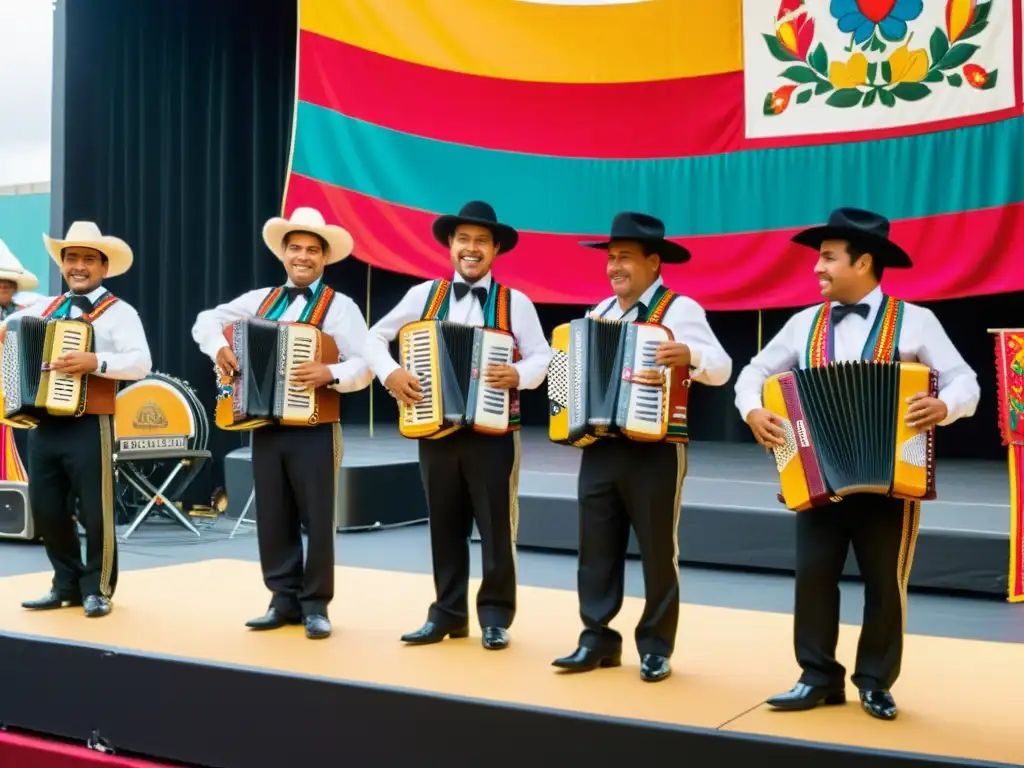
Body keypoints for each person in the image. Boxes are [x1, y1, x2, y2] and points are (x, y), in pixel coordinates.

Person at [733, 208, 980, 720]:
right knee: (813, 576)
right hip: (816, 473)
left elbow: (965, 381)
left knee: (885, 584)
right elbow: (753, 372)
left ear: (863, 261)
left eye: (827, 258)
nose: (816, 268)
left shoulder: (916, 320)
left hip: (892, 479)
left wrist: (946, 406)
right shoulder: (803, 324)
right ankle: (817, 676)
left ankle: (875, 681)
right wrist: (752, 409)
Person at [551, 212, 732, 682]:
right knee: (596, 546)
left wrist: (690, 356)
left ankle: (655, 645)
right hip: (600, 446)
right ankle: (596, 638)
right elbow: (570, 376)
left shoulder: (680, 310)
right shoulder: (599, 314)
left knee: (656, 548)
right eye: (610, 258)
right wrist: (564, 400)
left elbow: (722, 366)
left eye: (624, 258)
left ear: (654, 262)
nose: (614, 267)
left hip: (656, 447)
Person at [362, 201, 551, 650]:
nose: (471, 249)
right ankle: (447, 614)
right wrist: (391, 373)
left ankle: (495, 617)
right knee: (443, 525)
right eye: (463, 240)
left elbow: (543, 356)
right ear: (450, 246)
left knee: (496, 527)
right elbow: (374, 337)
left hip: (494, 433)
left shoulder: (515, 302)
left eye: (481, 241)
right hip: (435, 429)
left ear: (495, 249)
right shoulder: (422, 296)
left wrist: (519, 375)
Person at [191, 207, 372, 640]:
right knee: (272, 514)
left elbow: (367, 363)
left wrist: (331, 373)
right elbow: (205, 320)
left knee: (318, 516)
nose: (303, 256)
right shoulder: (258, 300)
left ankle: (316, 605)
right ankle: (281, 598)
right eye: (295, 248)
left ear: (324, 259)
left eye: (312, 250)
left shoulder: (341, 307)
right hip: (266, 425)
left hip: (316, 426)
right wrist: (218, 347)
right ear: (283, 254)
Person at [2, 222, 153, 618]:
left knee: (96, 510)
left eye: (88, 259)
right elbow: (8, 334)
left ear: (104, 267)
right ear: (63, 264)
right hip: (43, 422)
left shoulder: (120, 312)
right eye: (72, 258)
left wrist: (95, 362)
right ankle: (65, 583)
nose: (79, 266)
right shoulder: (42, 308)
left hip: (91, 422)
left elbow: (141, 363)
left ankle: (98, 588)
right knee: (47, 508)